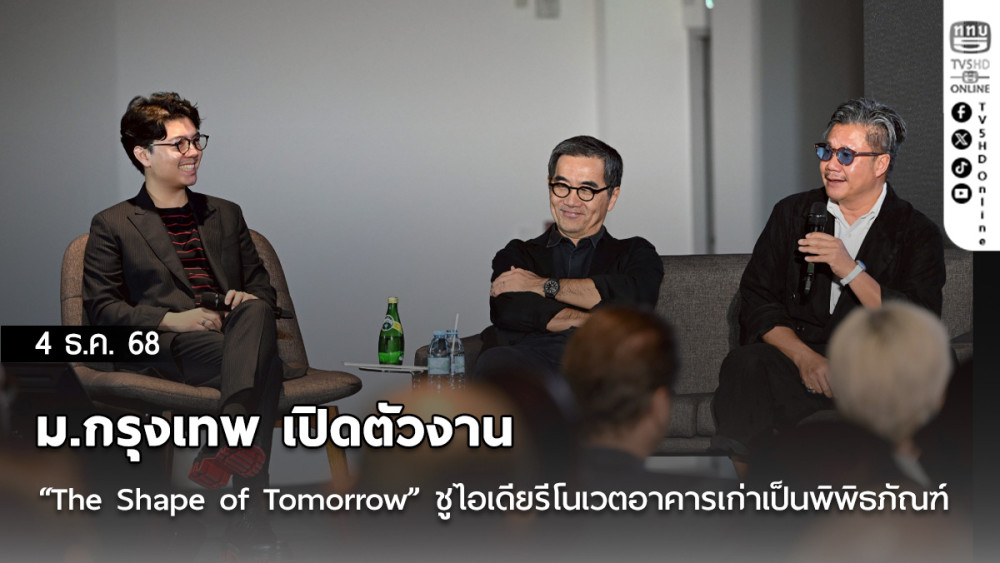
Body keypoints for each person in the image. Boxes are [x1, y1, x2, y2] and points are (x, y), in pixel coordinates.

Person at [83, 92, 300, 558]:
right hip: (167, 346)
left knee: (256, 313)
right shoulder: (113, 223)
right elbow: (101, 310)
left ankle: (227, 433)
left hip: (233, 337)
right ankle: (251, 518)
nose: (193, 151)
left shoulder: (226, 213)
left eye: (196, 140)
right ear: (143, 154)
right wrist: (172, 319)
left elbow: (264, 292)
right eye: (179, 144)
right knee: (265, 367)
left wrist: (245, 300)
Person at [711, 98, 945, 478]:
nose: (831, 165)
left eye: (846, 155)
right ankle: (755, 499)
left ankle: (897, 498)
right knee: (746, 364)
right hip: (802, 363)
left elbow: (917, 323)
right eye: (827, 151)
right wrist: (806, 359)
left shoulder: (915, 232)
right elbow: (757, 300)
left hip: (874, 372)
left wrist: (849, 270)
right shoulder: (792, 213)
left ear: (881, 164)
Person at [479, 135, 664, 384]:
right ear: (550, 185)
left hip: (603, 367)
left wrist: (539, 285)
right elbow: (510, 309)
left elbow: (635, 300)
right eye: (561, 186)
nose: (571, 201)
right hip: (526, 366)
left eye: (586, 190)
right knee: (496, 363)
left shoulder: (635, 252)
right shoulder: (518, 254)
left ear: (612, 197)